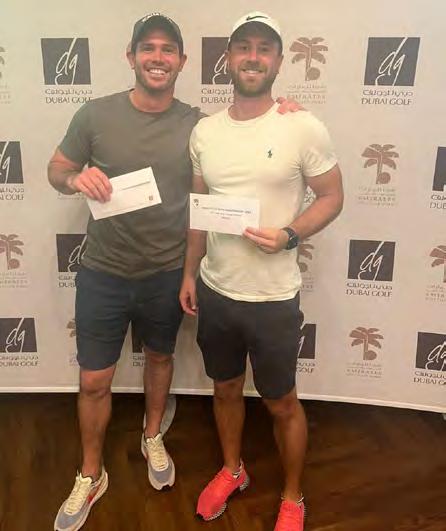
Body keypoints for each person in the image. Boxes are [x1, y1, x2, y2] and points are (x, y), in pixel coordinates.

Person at [48, 12, 301, 531]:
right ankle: (91, 473)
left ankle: (152, 435)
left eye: (168, 50)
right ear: (131, 56)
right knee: (94, 380)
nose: (158, 58)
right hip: (103, 272)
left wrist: (285, 114)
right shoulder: (94, 114)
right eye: (148, 48)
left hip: (166, 273)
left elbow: (244, 133)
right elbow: (56, 169)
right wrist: (75, 179)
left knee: (161, 357)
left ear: (182, 62)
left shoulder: (198, 126)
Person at [179, 11, 343, 531]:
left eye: (264, 48)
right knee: (225, 389)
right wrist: (190, 273)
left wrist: (291, 233)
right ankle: (233, 470)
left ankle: (293, 497)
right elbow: (199, 211)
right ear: (228, 58)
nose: (253, 57)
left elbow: (333, 196)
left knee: (282, 403)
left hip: (273, 299)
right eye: (243, 47)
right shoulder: (205, 132)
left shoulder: (302, 125)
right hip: (217, 290)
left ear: (278, 60)